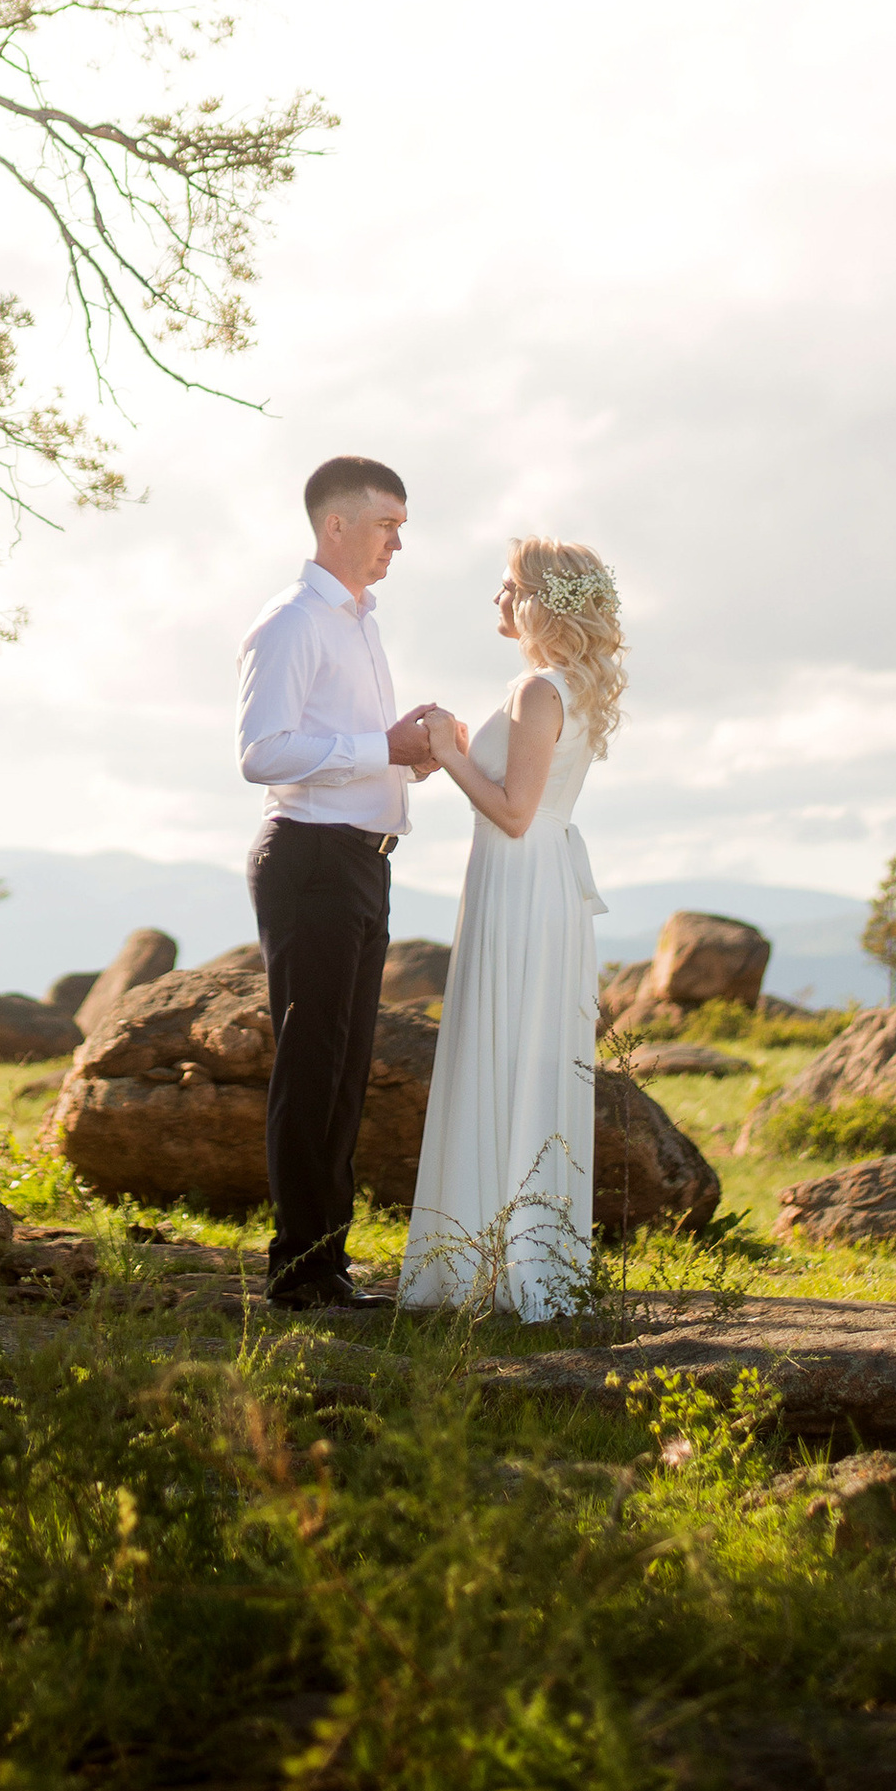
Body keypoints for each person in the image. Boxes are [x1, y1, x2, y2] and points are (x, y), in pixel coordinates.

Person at [238, 456, 461, 1308]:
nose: (397, 542)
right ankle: (299, 1272)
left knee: (344, 1069)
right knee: (313, 1067)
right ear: (336, 524)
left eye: (401, 527)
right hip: (311, 860)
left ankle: (324, 1264)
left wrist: (407, 758)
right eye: (385, 525)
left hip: (363, 861)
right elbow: (263, 752)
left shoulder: (361, 623)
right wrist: (382, 748)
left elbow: (348, 746)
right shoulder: (292, 621)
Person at [397, 536, 625, 1320]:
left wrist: (444, 750)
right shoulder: (570, 685)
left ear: (536, 601)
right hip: (540, 880)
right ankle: (523, 1259)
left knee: (502, 1045)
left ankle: (491, 1267)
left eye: (506, 586)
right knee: (523, 1052)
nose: (496, 598)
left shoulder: (537, 689)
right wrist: (465, 750)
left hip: (520, 879)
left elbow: (514, 811)